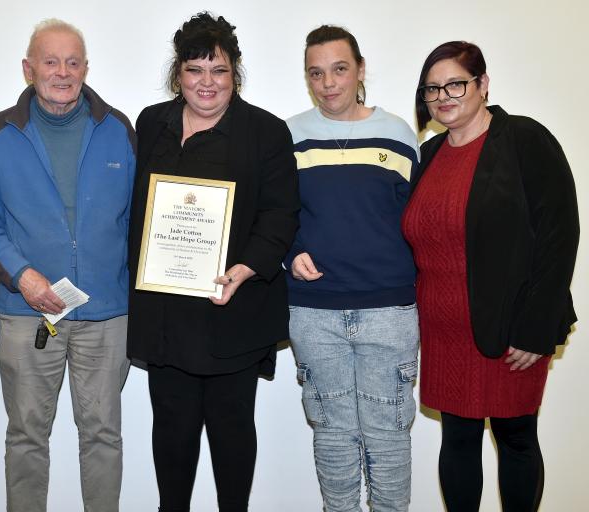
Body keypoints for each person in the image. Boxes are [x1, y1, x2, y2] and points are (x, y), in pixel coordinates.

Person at [127, 12, 299, 512]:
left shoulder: (265, 132)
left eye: (218, 70)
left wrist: (243, 270)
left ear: (235, 75)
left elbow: (280, 214)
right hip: (166, 312)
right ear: (177, 73)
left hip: (233, 308)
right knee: (172, 435)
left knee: (231, 433)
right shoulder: (151, 123)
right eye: (195, 69)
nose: (207, 82)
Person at [0, 19, 135, 512]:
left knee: (103, 436)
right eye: (51, 61)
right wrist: (23, 275)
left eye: (73, 62)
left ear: (86, 68)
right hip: (27, 314)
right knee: (25, 437)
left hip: (106, 316)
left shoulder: (119, 129)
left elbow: (142, 220)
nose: (62, 72)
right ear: (28, 68)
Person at [403, 41, 579, 512]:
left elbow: (559, 237)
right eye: (432, 88)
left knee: (516, 437)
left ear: (482, 84)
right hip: (443, 333)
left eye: (455, 83)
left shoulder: (523, 139)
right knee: (457, 442)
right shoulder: (429, 154)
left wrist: (537, 328)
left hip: (511, 331)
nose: (443, 96)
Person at [285, 25, 420, 512]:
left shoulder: (399, 135)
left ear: (360, 70)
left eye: (339, 70)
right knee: (334, 437)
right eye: (316, 73)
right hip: (314, 313)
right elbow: (272, 215)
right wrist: (289, 252)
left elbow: (421, 223)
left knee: (388, 437)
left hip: (389, 310)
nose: (329, 84)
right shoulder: (290, 136)